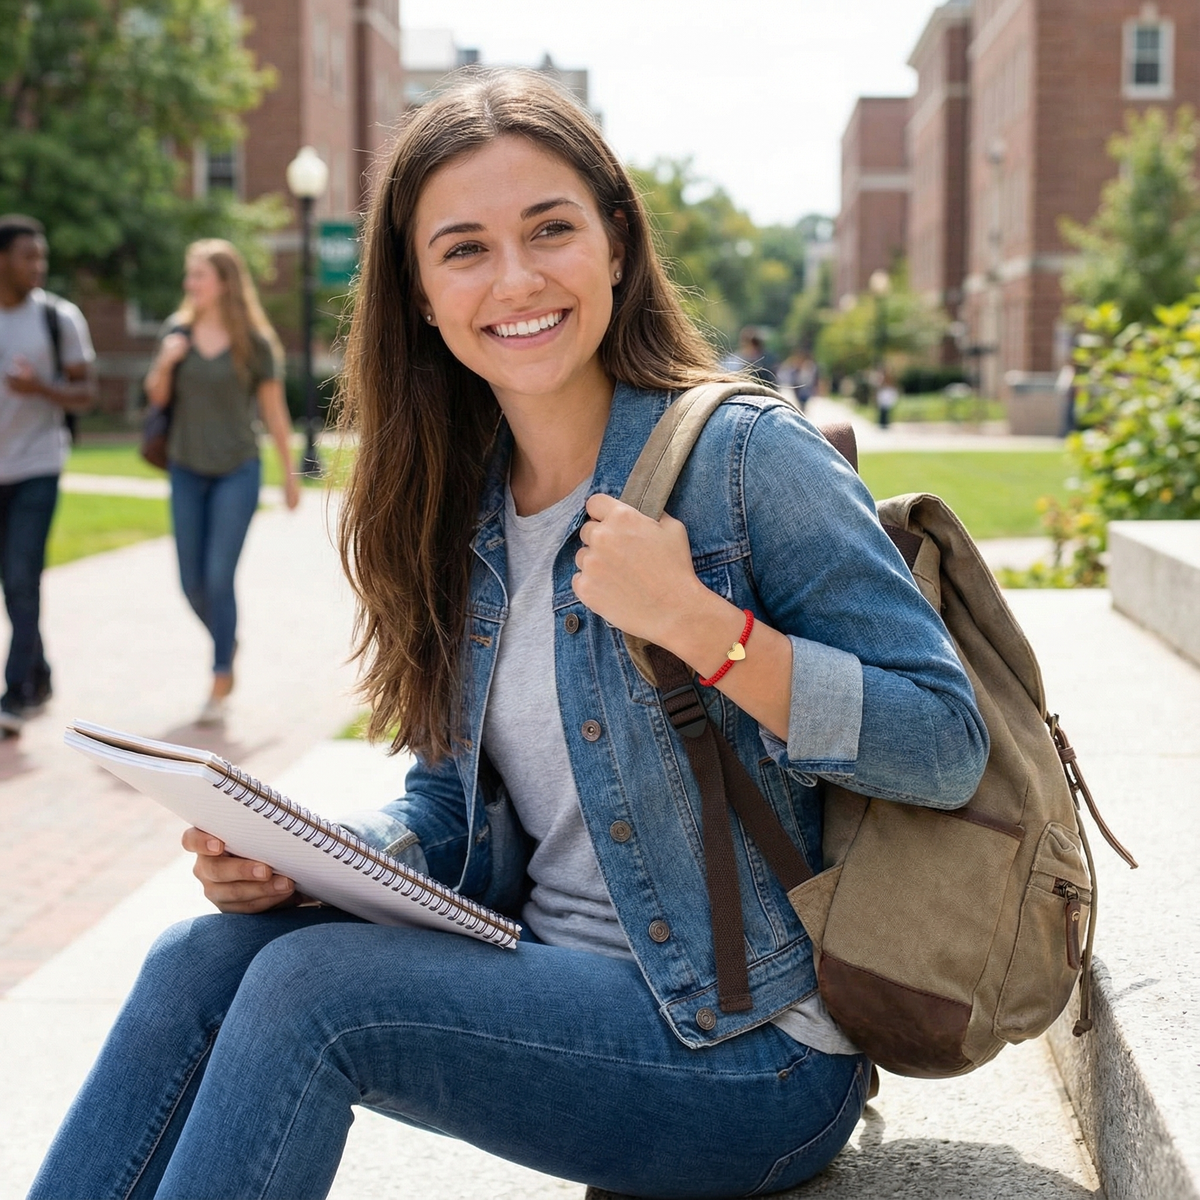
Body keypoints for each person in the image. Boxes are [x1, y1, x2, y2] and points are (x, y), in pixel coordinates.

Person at [31, 73, 988, 1199]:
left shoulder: (743, 459)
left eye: (550, 230)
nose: (517, 279)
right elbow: (451, 809)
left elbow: (944, 741)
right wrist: (304, 865)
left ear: (617, 244)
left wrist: (700, 624)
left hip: (752, 1050)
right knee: (200, 960)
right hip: (546, 987)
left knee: (312, 998)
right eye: (465, 249)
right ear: (422, 295)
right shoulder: (461, 503)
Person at [142, 239, 300, 725]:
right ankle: (226, 638)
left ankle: (219, 675)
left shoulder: (255, 342)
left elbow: (274, 412)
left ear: (225, 282)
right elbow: (156, 395)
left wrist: (289, 475)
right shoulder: (178, 332)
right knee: (191, 582)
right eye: (189, 276)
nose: (190, 284)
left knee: (218, 576)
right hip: (186, 469)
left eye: (198, 276)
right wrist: (166, 360)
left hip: (237, 470)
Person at [0, 214, 95, 737]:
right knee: (12, 584)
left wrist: (41, 388)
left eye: (42, 256)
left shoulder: (59, 318)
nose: (38, 266)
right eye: (27, 256)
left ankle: (16, 693)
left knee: (20, 576)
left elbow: (86, 393)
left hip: (38, 463)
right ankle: (38, 672)